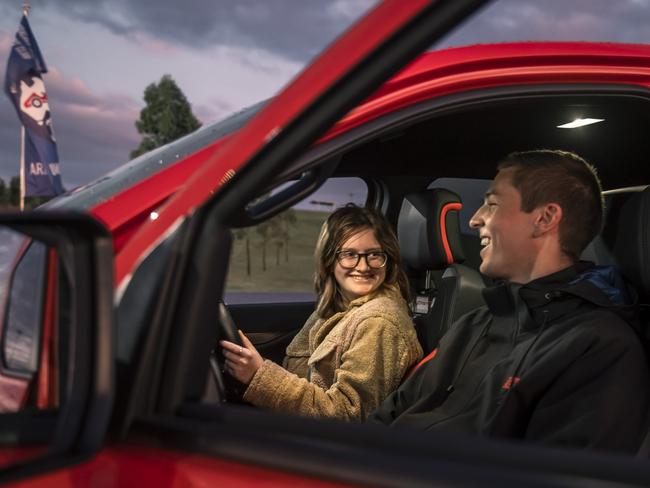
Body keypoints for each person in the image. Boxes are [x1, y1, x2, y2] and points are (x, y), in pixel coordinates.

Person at [370, 150, 650, 453]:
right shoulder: (474, 324)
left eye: (492, 204)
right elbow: (386, 419)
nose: (475, 220)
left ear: (544, 219)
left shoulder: (600, 348)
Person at [221, 205, 423, 421]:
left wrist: (259, 376)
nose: (363, 267)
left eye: (374, 254)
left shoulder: (379, 322)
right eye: (349, 254)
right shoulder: (337, 307)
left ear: (388, 260)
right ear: (330, 260)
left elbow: (349, 415)